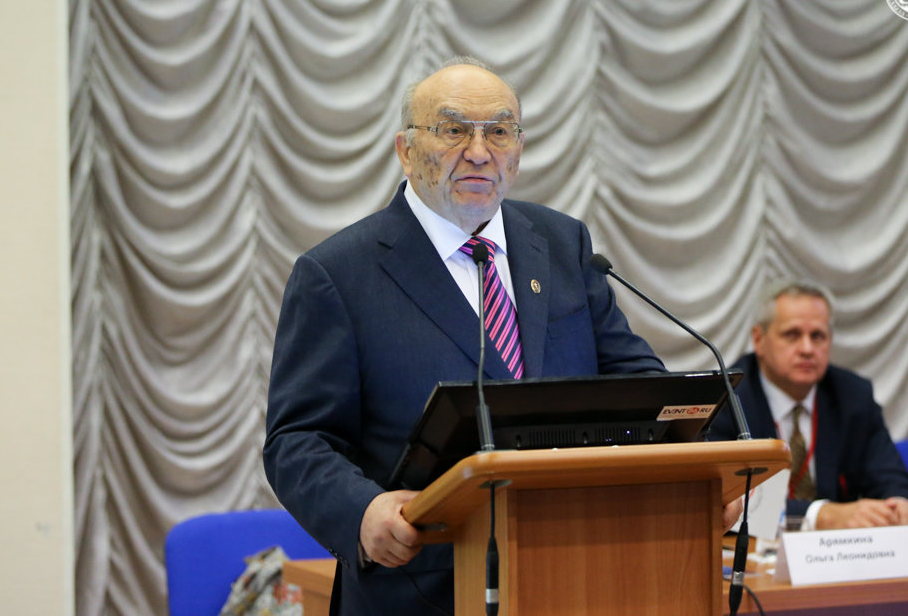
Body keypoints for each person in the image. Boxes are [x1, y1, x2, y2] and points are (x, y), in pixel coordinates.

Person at [263, 58, 735, 614]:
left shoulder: (562, 244)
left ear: (519, 148)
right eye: (453, 130)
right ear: (405, 149)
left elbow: (636, 383)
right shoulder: (338, 273)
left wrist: (697, 470)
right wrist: (363, 511)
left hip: (578, 573)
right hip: (422, 585)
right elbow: (298, 440)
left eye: (499, 132)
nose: (479, 152)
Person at [709, 279, 908, 534]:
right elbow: (722, 499)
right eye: (792, 335)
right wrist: (817, 515)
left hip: (837, 553)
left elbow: (890, 475)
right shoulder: (725, 397)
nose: (807, 349)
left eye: (818, 336)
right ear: (758, 339)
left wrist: (900, 505)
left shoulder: (852, 395)